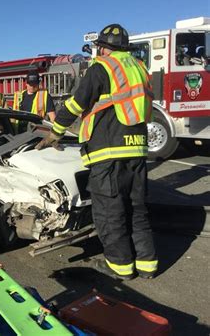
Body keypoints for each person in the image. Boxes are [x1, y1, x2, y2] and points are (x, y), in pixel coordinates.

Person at [36, 24, 158, 280]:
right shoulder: (139, 68)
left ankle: (120, 267)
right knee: (137, 208)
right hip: (137, 149)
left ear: (102, 47)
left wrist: (55, 132)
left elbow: (75, 103)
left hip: (108, 151)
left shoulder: (102, 67)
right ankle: (148, 265)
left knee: (110, 212)